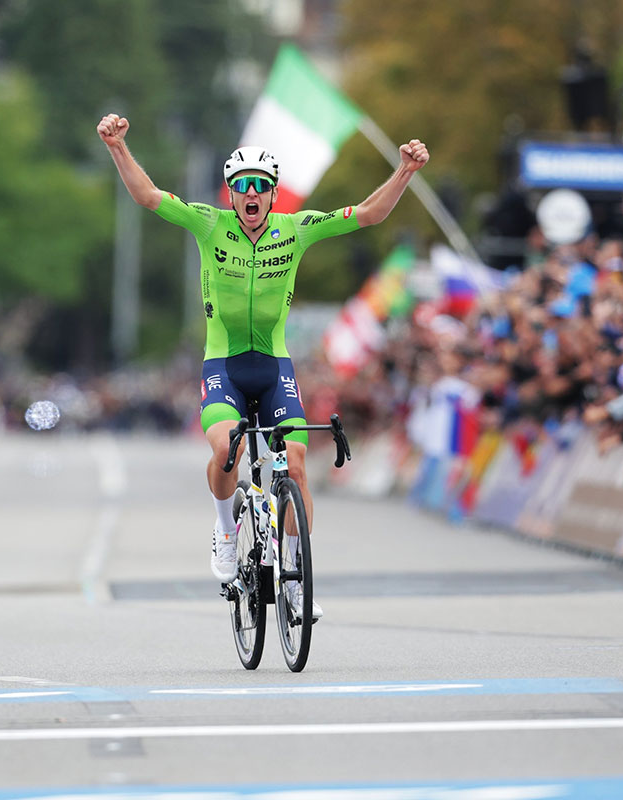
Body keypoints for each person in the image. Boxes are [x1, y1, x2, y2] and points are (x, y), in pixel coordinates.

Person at [97, 113, 429, 620]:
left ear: (273, 194)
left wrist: (404, 171)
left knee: (295, 466)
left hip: (274, 366)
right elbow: (148, 197)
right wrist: (119, 146)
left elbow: (367, 214)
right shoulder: (210, 224)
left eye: (260, 186)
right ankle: (227, 529)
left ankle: (298, 579)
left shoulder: (296, 230)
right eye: (241, 187)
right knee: (226, 453)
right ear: (231, 193)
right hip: (223, 365)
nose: (251, 194)